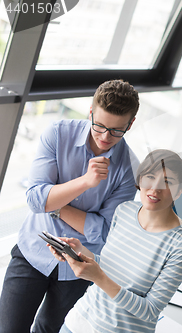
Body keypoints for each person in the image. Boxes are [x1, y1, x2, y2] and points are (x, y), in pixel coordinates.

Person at [0, 80, 140, 333]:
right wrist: (85, 182)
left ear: (130, 124)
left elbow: (105, 231)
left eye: (117, 131)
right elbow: (34, 199)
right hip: (34, 250)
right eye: (99, 126)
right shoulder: (57, 133)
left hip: (80, 267)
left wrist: (54, 203)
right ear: (90, 112)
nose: (105, 137)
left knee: (49, 330)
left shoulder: (129, 168)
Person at [49, 149, 182, 333]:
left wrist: (98, 278)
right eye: (150, 176)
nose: (155, 187)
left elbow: (150, 310)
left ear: (179, 191)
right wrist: (80, 251)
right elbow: (110, 268)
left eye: (167, 182)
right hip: (79, 321)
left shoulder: (181, 244)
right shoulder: (124, 210)